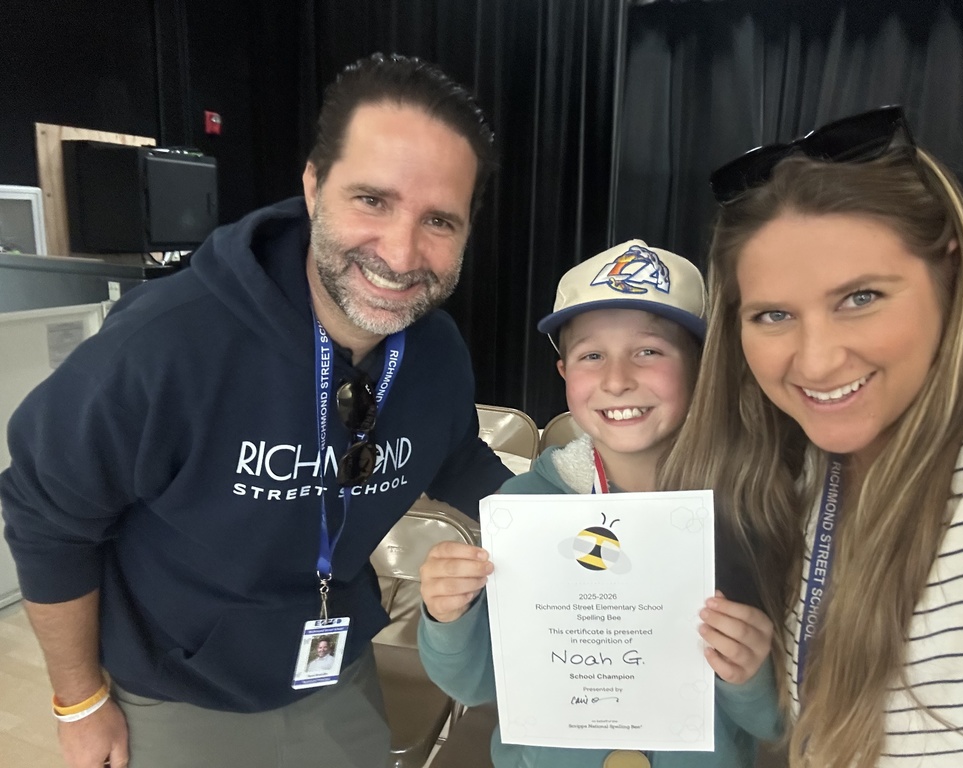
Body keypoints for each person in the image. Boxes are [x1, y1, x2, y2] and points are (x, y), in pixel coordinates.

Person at [0, 52, 512, 768]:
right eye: (372, 200)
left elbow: (459, 461)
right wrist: (79, 704)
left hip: (337, 675)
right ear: (312, 185)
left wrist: (601, 528)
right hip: (176, 695)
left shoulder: (435, 354)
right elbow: (44, 515)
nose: (401, 252)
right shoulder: (164, 345)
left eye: (438, 220)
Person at [660, 105, 963, 767]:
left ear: (948, 268)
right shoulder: (807, 453)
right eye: (773, 314)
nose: (818, 360)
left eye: (860, 298)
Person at [418, 239, 782, 768]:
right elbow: (474, 685)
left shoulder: (753, 509)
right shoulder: (525, 509)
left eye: (649, 351)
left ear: (703, 367)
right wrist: (448, 616)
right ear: (565, 373)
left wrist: (752, 675)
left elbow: (772, 721)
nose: (617, 379)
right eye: (592, 356)